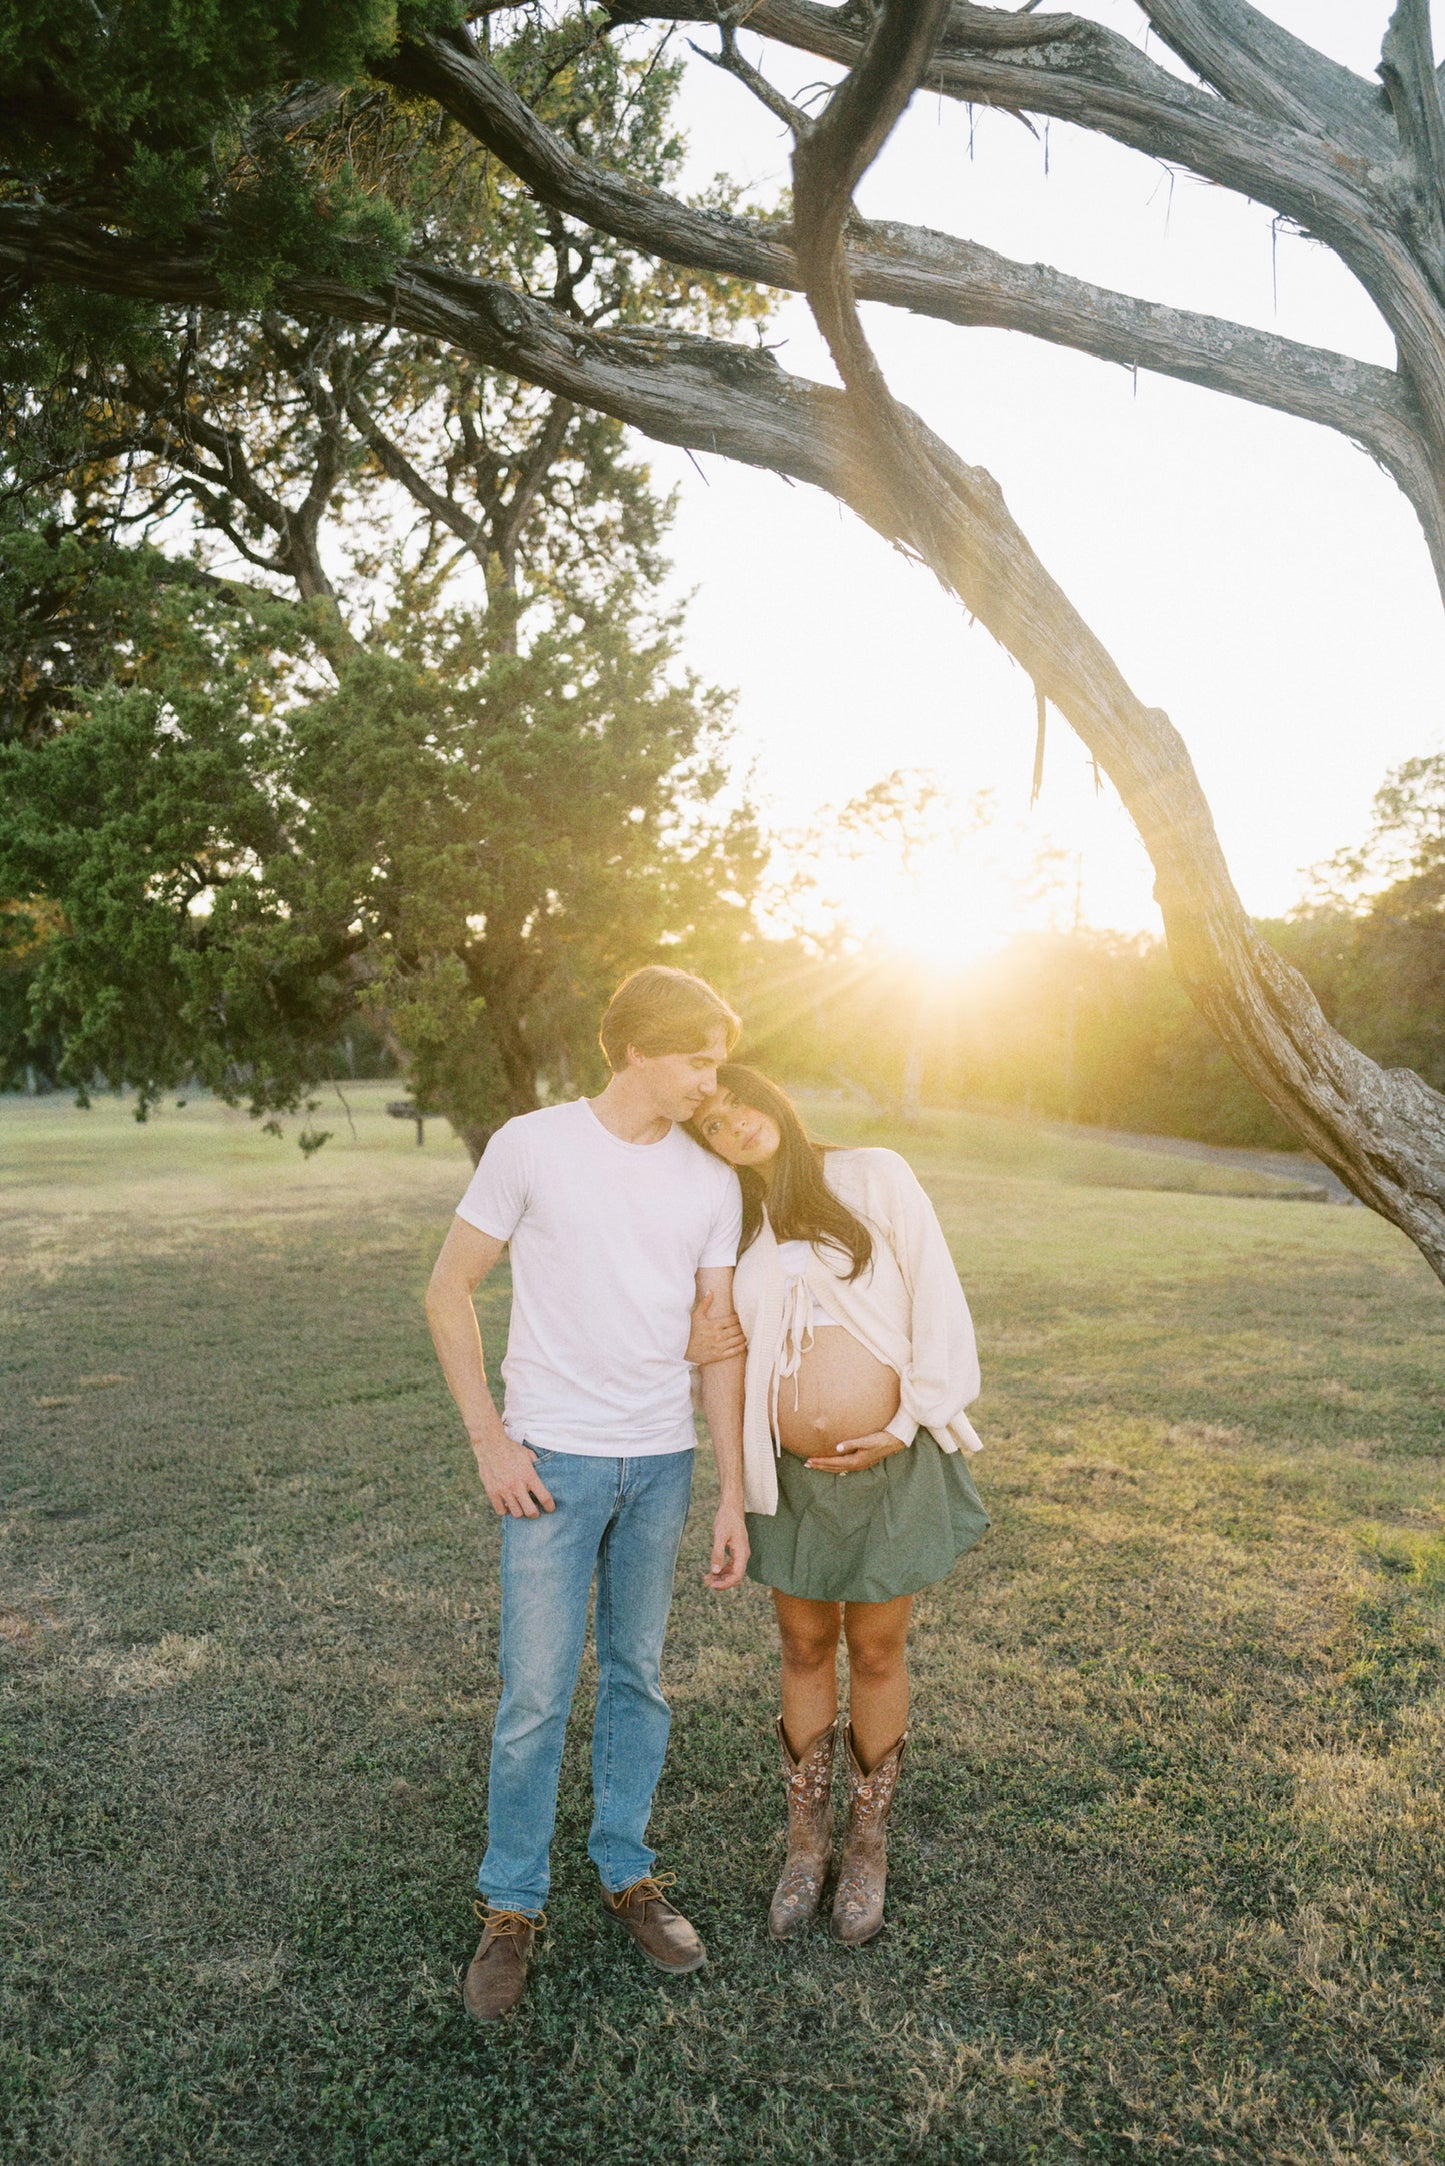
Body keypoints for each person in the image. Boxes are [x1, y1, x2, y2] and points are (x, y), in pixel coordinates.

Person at [426, 966, 749, 2023]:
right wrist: (490, 1441)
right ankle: (510, 1905)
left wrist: (729, 1494)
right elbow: (447, 1289)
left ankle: (625, 1869)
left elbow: (717, 1342)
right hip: (550, 1466)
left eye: (715, 1060)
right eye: (695, 1058)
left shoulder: (711, 1181)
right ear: (633, 1051)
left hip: (660, 1464)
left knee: (638, 1679)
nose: (710, 1078)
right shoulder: (532, 1144)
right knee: (532, 1696)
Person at [687, 1065, 988, 1946]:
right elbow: (723, 1350)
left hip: (887, 1460)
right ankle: (805, 1841)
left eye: (735, 1105)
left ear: (768, 1094)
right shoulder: (731, 1221)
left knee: (879, 1645)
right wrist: (733, 1491)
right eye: (708, 1125)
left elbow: (936, 1295)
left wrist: (904, 1421)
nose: (731, 1127)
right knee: (804, 1642)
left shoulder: (872, 1174)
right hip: (788, 1475)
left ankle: (867, 1842)